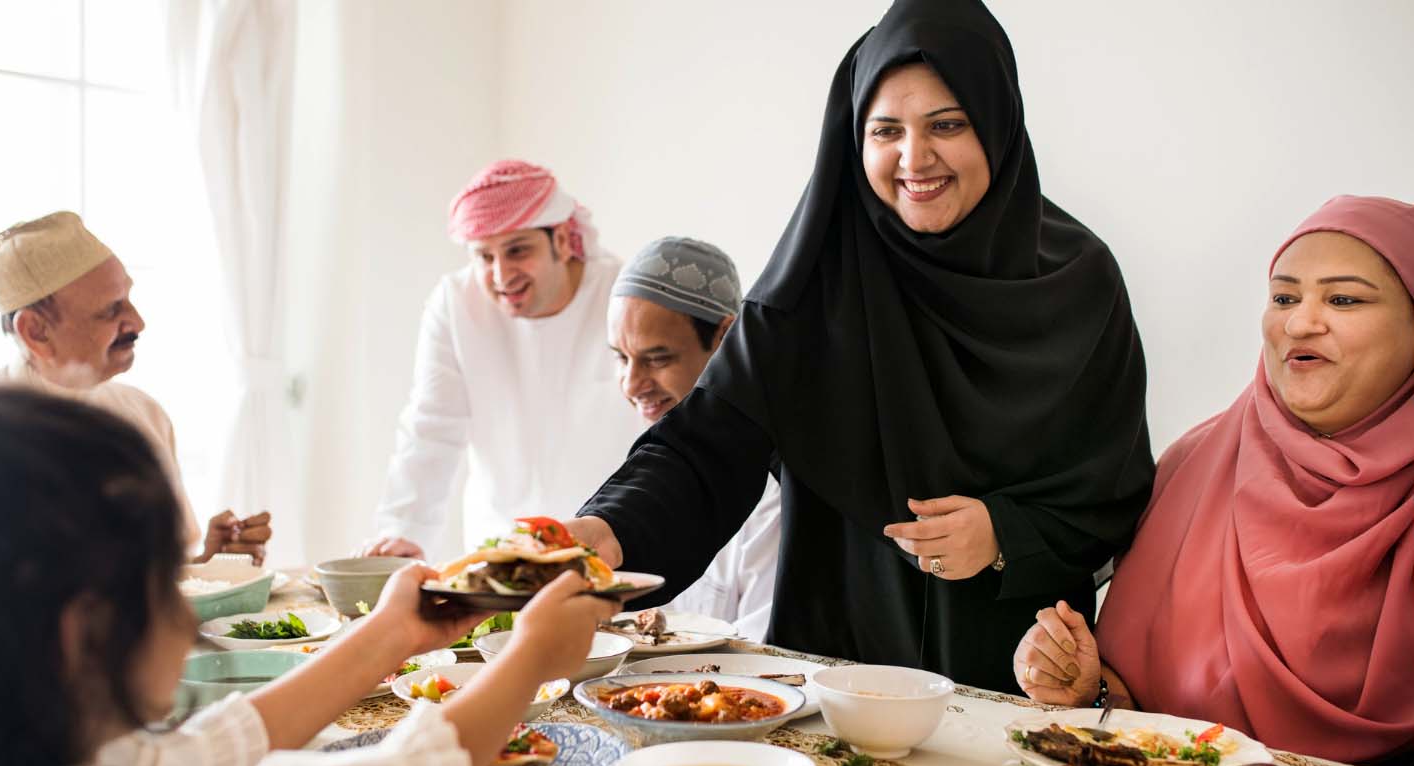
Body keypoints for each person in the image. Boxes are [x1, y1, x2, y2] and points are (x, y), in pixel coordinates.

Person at [568, 0, 1155, 693]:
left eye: (947, 124)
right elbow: (704, 450)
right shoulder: (810, 287)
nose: (915, 158)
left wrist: (1005, 536)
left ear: (997, 124)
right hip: (836, 674)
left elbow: (1111, 487)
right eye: (886, 131)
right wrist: (608, 532)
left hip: (1016, 673)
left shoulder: (1078, 283)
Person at [0, 381, 619, 766]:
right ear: (82, 632)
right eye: (167, 580)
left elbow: (217, 744)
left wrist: (391, 633)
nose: (192, 620)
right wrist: (530, 656)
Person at [1014, 195, 1414, 766]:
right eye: (1283, 297)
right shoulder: (1195, 467)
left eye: (1344, 299)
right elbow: (1140, 706)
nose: (1300, 321)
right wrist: (1083, 688)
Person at [367, 160, 644, 560]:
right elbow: (431, 427)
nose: (501, 275)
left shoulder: (624, 296)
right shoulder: (455, 303)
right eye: (484, 257)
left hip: (614, 545)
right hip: (499, 550)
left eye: (518, 250)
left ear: (564, 240)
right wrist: (404, 530)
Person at [0, 211, 271, 565]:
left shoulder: (144, 412)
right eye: (111, 310)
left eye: (128, 298)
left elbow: (157, 575)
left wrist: (211, 560)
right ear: (36, 331)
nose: (138, 322)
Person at [607, 237, 780, 640]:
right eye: (620, 357)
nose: (633, 384)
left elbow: (767, 661)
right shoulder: (634, 465)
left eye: (658, 358)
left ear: (726, 338)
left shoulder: (775, 495)